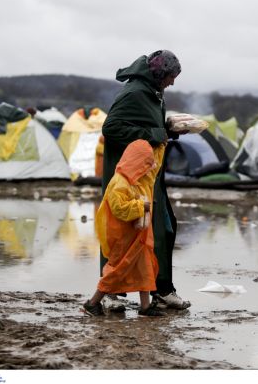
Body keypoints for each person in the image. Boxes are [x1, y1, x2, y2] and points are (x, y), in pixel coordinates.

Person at [100, 50, 190, 311]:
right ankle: (109, 293)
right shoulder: (134, 92)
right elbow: (111, 128)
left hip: (150, 176)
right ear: (160, 73)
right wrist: (155, 132)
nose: (172, 83)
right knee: (120, 235)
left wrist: (168, 128)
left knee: (162, 230)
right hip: (128, 178)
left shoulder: (153, 92)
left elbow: (150, 128)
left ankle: (161, 290)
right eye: (171, 77)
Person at [83, 139, 166, 317]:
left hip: (140, 237)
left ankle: (145, 306)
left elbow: (155, 167)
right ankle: (92, 303)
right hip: (123, 238)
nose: (149, 167)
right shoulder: (119, 182)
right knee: (117, 270)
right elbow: (119, 209)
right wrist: (141, 206)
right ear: (137, 162)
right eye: (146, 162)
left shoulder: (141, 179)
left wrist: (161, 146)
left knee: (145, 269)